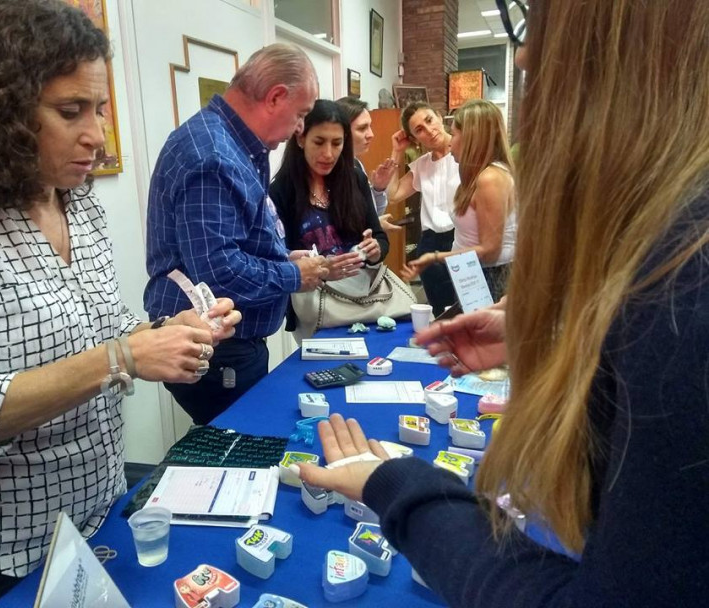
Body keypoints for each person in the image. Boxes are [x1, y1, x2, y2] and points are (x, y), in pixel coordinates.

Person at [294, 1, 709, 606]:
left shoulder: (681, 283)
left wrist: (397, 485)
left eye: (541, 26)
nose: (524, 56)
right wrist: (555, 332)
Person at [0, 2, 240, 606]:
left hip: (93, 510)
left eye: (101, 108)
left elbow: (101, 329)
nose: (97, 134)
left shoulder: (76, 203)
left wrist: (168, 334)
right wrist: (121, 357)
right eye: (70, 111)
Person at [144, 43, 329, 426]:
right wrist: (294, 275)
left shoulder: (237, 146)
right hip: (221, 349)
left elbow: (238, 238)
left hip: (232, 343)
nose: (299, 128)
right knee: (239, 452)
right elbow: (219, 272)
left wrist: (282, 258)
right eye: (301, 115)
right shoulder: (213, 155)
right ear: (276, 96)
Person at [269, 99, 389, 333]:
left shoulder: (354, 179)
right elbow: (276, 257)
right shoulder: (281, 191)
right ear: (300, 138)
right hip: (315, 310)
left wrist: (375, 249)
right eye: (319, 142)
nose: (328, 153)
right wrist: (321, 269)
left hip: (364, 300)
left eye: (337, 143)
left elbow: (380, 238)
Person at [402, 99, 516, 302]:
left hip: (489, 277)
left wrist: (436, 257)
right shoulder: (478, 175)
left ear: (472, 138)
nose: (450, 141)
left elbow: (490, 250)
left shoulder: (490, 178)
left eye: (453, 135)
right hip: (472, 273)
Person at [386, 102, 461, 316]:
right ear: (415, 139)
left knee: (468, 310)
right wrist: (396, 152)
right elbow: (394, 195)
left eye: (429, 120)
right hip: (430, 244)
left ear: (439, 116)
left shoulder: (465, 154)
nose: (428, 131)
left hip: (461, 241)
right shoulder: (421, 165)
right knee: (441, 313)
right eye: (419, 130)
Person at [335, 96, 399, 231]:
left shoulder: (356, 164)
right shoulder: (330, 171)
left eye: (370, 126)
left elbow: (372, 214)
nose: (371, 134)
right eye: (362, 128)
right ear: (341, 132)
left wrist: (378, 189)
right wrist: (373, 226)